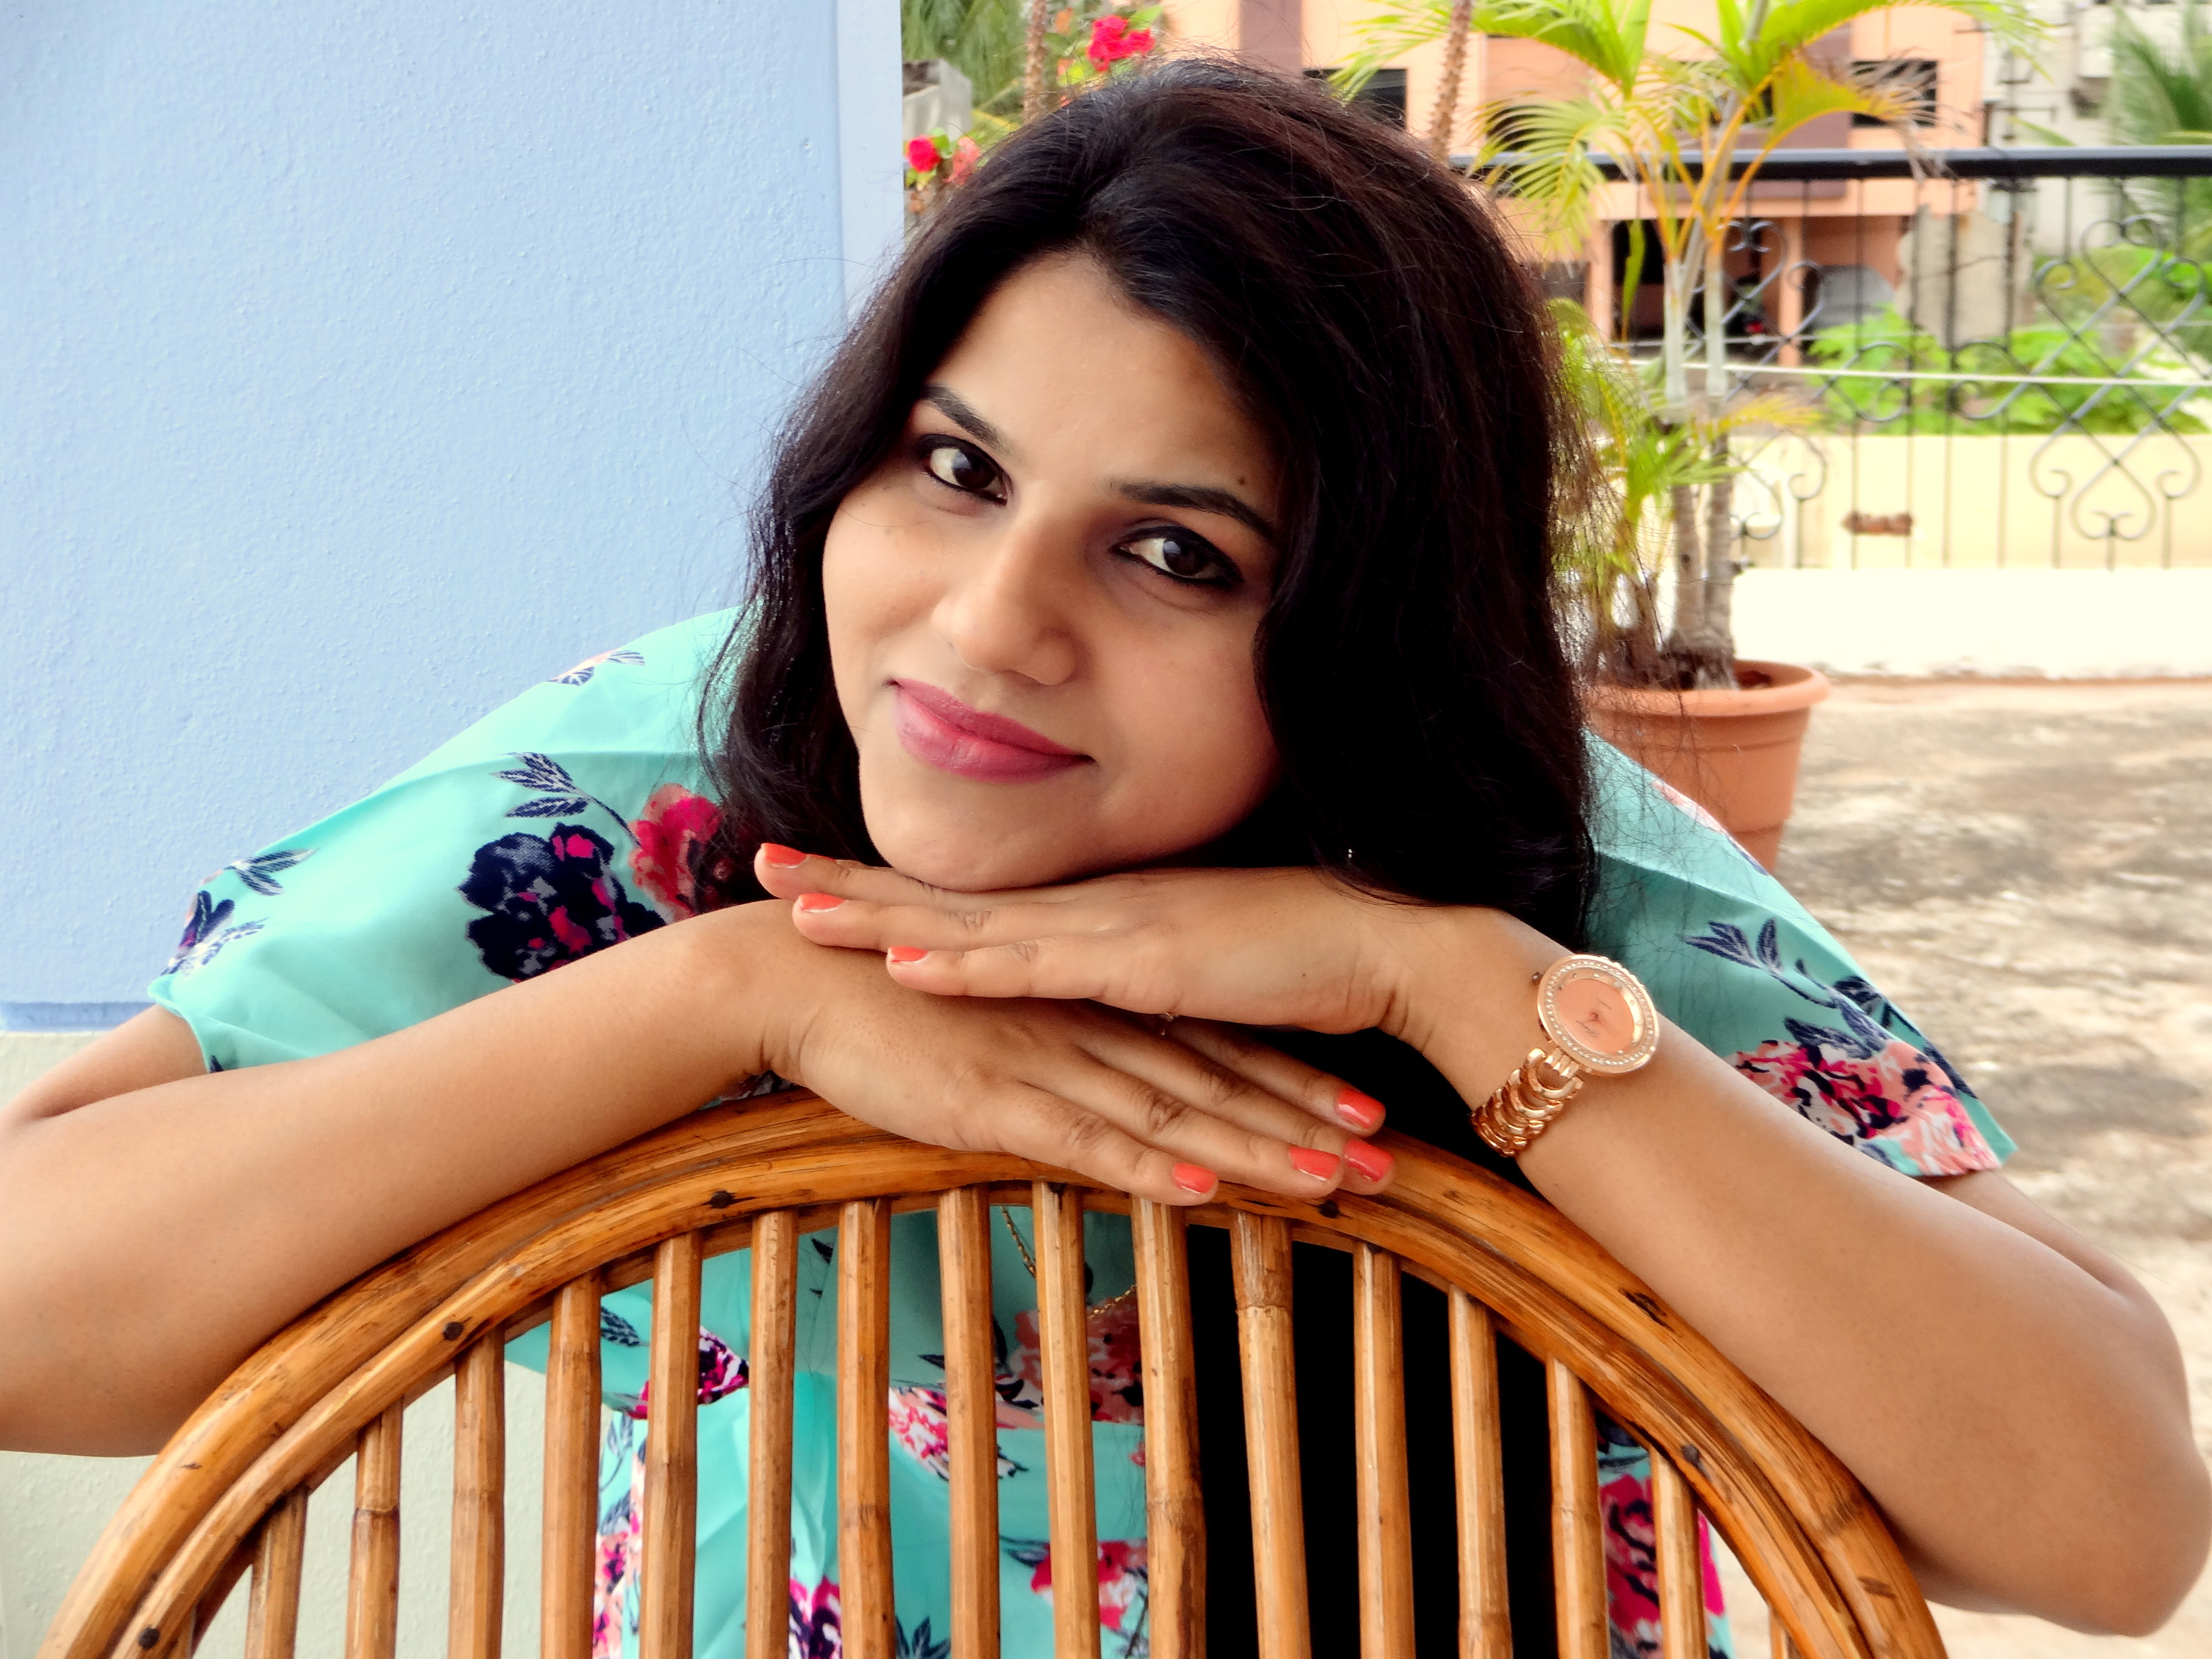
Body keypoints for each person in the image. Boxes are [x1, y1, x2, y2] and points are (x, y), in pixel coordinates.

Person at [2, 59, 2203, 1659]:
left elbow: (2110, 1531)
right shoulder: (662, 796)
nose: (987, 630)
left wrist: (1443, 987)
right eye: (956, 470)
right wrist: (732, 996)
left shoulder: (1539, 874)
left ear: (1367, 638)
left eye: (1176, 554)